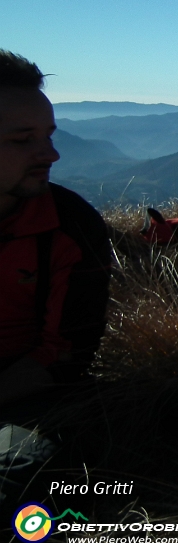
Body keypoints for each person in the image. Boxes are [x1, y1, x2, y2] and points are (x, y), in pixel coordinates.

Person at [0, 50, 112, 512]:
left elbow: (64, 356)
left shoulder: (70, 225)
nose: (51, 154)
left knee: (19, 475)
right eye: (23, 140)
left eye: (47, 135)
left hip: (25, 401)